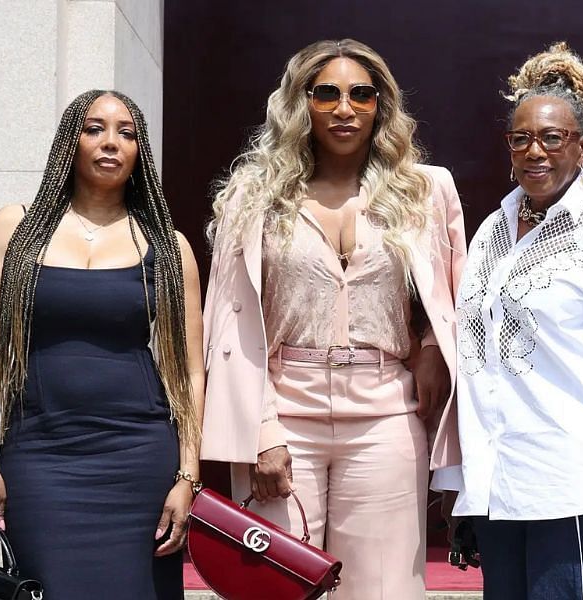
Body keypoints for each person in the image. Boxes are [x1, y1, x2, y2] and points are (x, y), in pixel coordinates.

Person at [199, 39, 465, 599]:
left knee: (385, 588)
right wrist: (261, 431)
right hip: (283, 412)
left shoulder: (426, 189)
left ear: (380, 105)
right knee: (277, 587)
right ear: (302, 103)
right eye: (327, 94)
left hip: (386, 414)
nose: (345, 108)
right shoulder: (254, 195)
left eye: (360, 94)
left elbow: (451, 301)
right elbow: (226, 319)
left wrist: (434, 354)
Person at [434, 43, 583, 600]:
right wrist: (459, 481)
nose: (534, 151)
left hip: (574, 490)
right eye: (520, 139)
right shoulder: (491, 228)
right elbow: (474, 358)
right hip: (497, 487)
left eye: (552, 137)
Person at [0, 89, 206, 599]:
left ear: (141, 152)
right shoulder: (16, 230)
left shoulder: (167, 247)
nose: (110, 142)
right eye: (94, 128)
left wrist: (188, 475)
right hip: (41, 457)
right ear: (68, 143)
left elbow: (189, 372)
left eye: (127, 132)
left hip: (139, 460)